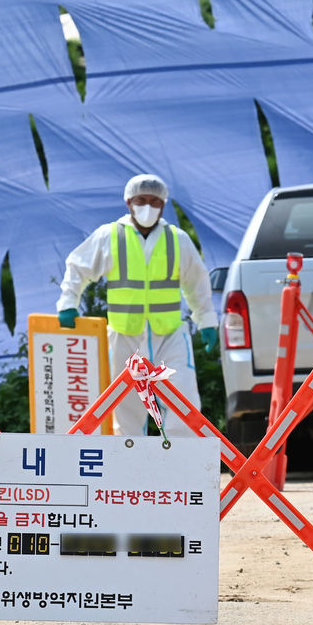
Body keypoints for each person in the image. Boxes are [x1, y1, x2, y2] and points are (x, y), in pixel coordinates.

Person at [56, 173, 219, 437]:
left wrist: (207, 319)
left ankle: (182, 469)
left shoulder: (177, 239)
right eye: (142, 200)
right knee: (125, 406)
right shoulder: (109, 236)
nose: (148, 207)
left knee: (183, 401)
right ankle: (130, 471)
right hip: (124, 334)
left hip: (169, 334)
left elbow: (197, 282)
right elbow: (78, 267)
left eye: (154, 201)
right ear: (129, 202)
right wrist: (68, 301)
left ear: (163, 205)